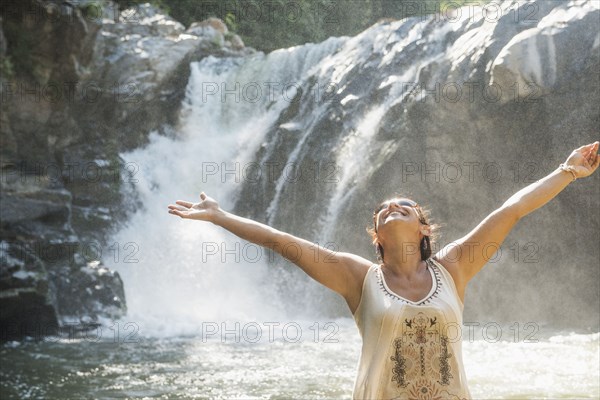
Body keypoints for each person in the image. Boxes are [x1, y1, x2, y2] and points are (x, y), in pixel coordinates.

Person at [168, 142, 599, 399]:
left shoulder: (453, 268)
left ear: (424, 228)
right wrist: (221, 217)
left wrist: (568, 171)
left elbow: (512, 210)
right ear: (376, 235)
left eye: (405, 205)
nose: (393, 207)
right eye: (383, 210)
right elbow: (284, 243)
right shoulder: (358, 277)